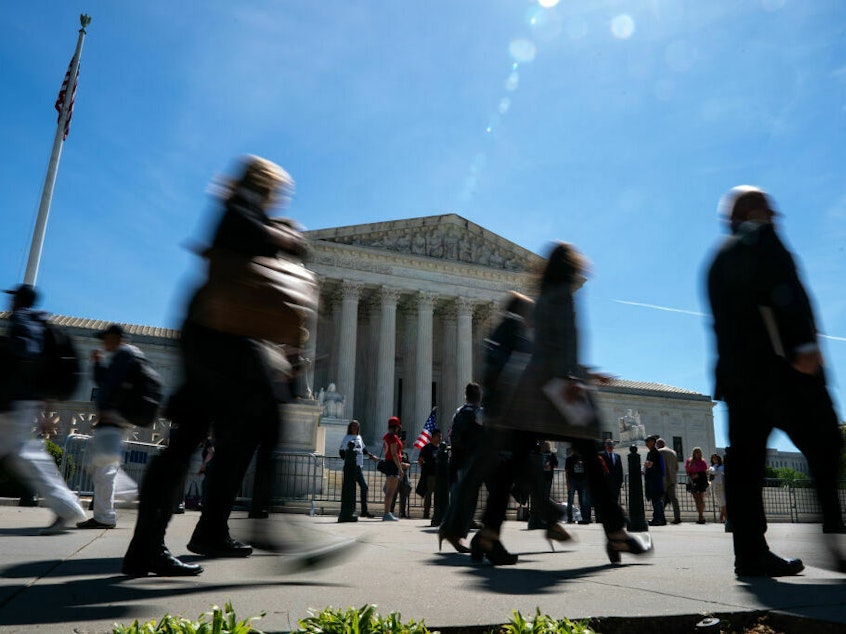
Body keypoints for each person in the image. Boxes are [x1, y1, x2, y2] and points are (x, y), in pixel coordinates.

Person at [123, 156, 344, 576]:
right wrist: (285, 237)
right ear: (265, 185)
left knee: (197, 441)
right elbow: (246, 239)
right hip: (219, 337)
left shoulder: (240, 210)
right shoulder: (239, 210)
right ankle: (255, 525)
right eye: (278, 190)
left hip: (211, 334)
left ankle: (179, 538)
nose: (280, 198)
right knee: (259, 423)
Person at [474, 243, 652, 565]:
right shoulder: (562, 297)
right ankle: (616, 534)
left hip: (535, 391)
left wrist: (583, 373)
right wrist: (574, 378)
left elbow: (548, 346)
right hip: (556, 391)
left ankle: (488, 535)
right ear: (571, 268)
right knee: (591, 461)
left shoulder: (544, 296)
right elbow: (559, 348)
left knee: (514, 465)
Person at [706, 185, 846, 576]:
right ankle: (834, 531)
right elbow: (786, 292)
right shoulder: (762, 239)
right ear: (754, 211)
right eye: (770, 209)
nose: (777, 217)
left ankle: (749, 554)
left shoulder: (715, 259)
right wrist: (803, 346)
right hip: (783, 372)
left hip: (737, 378)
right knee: (826, 443)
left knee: (746, 467)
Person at [0, 284, 87, 534]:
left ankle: (65, 507)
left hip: (14, 401)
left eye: (13, 299)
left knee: (26, 455)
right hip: (23, 399)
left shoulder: (23, 320)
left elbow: (25, 356)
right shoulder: (39, 323)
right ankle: (66, 506)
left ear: (19, 301)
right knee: (29, 454)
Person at [77, 324, 140, 529]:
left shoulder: (124, 355)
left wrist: (106, 412)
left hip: (113, 418)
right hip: (115, 418)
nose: (103, 342)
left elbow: (111, 385)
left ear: (114, 337)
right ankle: (129, 493)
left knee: (102, 468)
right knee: (102, 465)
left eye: (106, 338)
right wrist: (98, 364)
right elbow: (107, 381)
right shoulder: (125, 355)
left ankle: (105, 516)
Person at [339, 420, 377, 518]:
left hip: (359, 467)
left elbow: (363, 449)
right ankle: (353, 511)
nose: (355, 428)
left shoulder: (359, 437)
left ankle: (364, 511)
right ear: (350, 427)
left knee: (364, 488)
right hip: (351, 467)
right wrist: (348, 460)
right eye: (353, 426)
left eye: (357, 426)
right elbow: (341, 451)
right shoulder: (346, 438)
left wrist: (371, 456)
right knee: (353, 489)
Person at [381, 416, 407, 521]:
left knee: (390, 491)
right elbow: (394, 453)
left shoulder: (387, 436)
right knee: (390, 491)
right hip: (393, 464)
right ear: (396, 427)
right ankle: (387, 513)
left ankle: (388, 512)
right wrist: (400, 468)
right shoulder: (392, 437)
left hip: (390, 463)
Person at [416, 428, 441, 520]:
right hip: (430, 475)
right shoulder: (427, 448)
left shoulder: (441, 448)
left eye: (440, 437)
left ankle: (437, 513)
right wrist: (425, 469)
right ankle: (426, 514)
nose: (439, 438)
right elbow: (420, 460)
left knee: (438, 496)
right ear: (433, 437)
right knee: (428, 495)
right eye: (438, 436)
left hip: (439, 475)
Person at [656, 438, 681, 524]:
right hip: (672, 479)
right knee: (674, 499)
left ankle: (661, 518)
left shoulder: (659, 452)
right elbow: (676, 467)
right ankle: (677, 517)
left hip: (662, 479)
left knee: (661, 499)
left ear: (659, 444)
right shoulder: (673, 452)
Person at [643, 435, 666, 526]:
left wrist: (646, 464)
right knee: (656, 500)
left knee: (656, 500)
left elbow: (649, 464)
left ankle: (658, 519)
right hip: (653, 479)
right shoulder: (651, 453)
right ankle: (660, 519)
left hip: (655, 480)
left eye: (648, 441)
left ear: (653, 442)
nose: (646, 443)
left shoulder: (654, 453)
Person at [564, 447, 589, 524]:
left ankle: (584, 518)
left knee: (583, 501)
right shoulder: (569, 459)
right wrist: (568, 482)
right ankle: (570, 518)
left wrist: (587, 482)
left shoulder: (584, 458)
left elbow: (587, 471)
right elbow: (567, 471)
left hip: (582, 481)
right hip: (572, 481)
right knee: (570, 500)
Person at [685, 447, 709, 525]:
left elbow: (706, 471)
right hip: (693, 480)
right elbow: (687, 471)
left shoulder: (703, 461)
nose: (697, 453)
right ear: (693, 453)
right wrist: (692, 475)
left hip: (702, 480)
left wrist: (699, 474)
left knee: (701, 498)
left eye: (698, 452)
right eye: (696, 452)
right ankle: (700, 516)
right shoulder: (689, 461)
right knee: (696, 499)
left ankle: (701, 516)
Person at [598, 438, 624, 503]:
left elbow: (620, 469)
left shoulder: (617, 456)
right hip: (605, 481)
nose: (610, 446)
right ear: (605, 445)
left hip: (616, 482)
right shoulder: (601, 455)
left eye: (612, 444)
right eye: (608, 444)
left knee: (615, 499)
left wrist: (621, 481)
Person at [709, 453, 726, 524]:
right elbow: (713, 472)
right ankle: (724, 518)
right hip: (717, 487)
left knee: (724, 504)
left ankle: (722, 518)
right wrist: (715, 466)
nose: (715, 459)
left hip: (724, 486)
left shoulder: (723, 466)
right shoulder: (712, 467)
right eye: (713, 458)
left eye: (716, 458)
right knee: (723, 504)